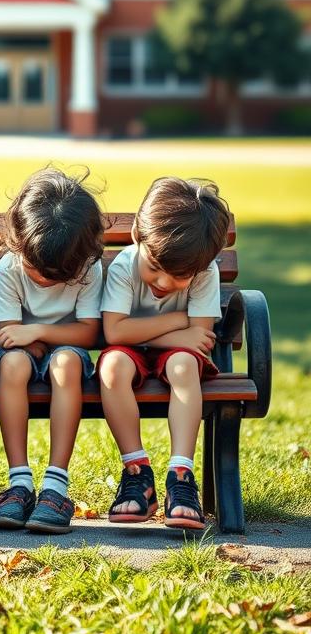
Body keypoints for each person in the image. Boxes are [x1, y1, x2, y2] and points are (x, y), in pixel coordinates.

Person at [98, 177, 231, 531]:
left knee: (185, 364)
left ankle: (181, 475)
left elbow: (199, 339)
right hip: (128, 351)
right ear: (136, 237)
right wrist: (175, 321)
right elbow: (115, 332)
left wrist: (165, 332)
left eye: (179, 276)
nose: (162, 282)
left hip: (178, 355)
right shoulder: (126, 266)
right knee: (112, 366)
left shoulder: (205, 271)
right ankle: (137, 471)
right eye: (154, 267)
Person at [0, 168, 104, 534]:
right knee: (13, 365)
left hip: (65, 353)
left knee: (67, 362)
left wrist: (36, 331)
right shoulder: (9, 267)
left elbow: (88, 333)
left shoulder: (87, 266)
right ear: (18, 242)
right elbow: (8, 335)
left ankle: (56, 485)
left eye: (56, 275)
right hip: (20, 355)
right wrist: (28, 338)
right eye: (35, 268)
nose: (42, 278)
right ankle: (19, 481)